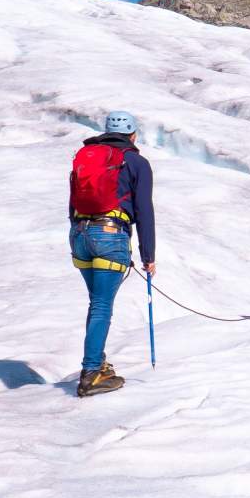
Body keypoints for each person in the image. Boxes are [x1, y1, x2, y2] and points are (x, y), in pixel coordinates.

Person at [68, 111, 156, 398]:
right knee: (101, 305)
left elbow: (73, 201)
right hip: (110, 234)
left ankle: (97, 362)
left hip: (80, 234)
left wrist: (79, 233)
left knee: (97, 303)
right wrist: (148, 255)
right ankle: (91, 372)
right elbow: (144, 210)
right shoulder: (137, 162)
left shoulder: (87, 156)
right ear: (133, 135)